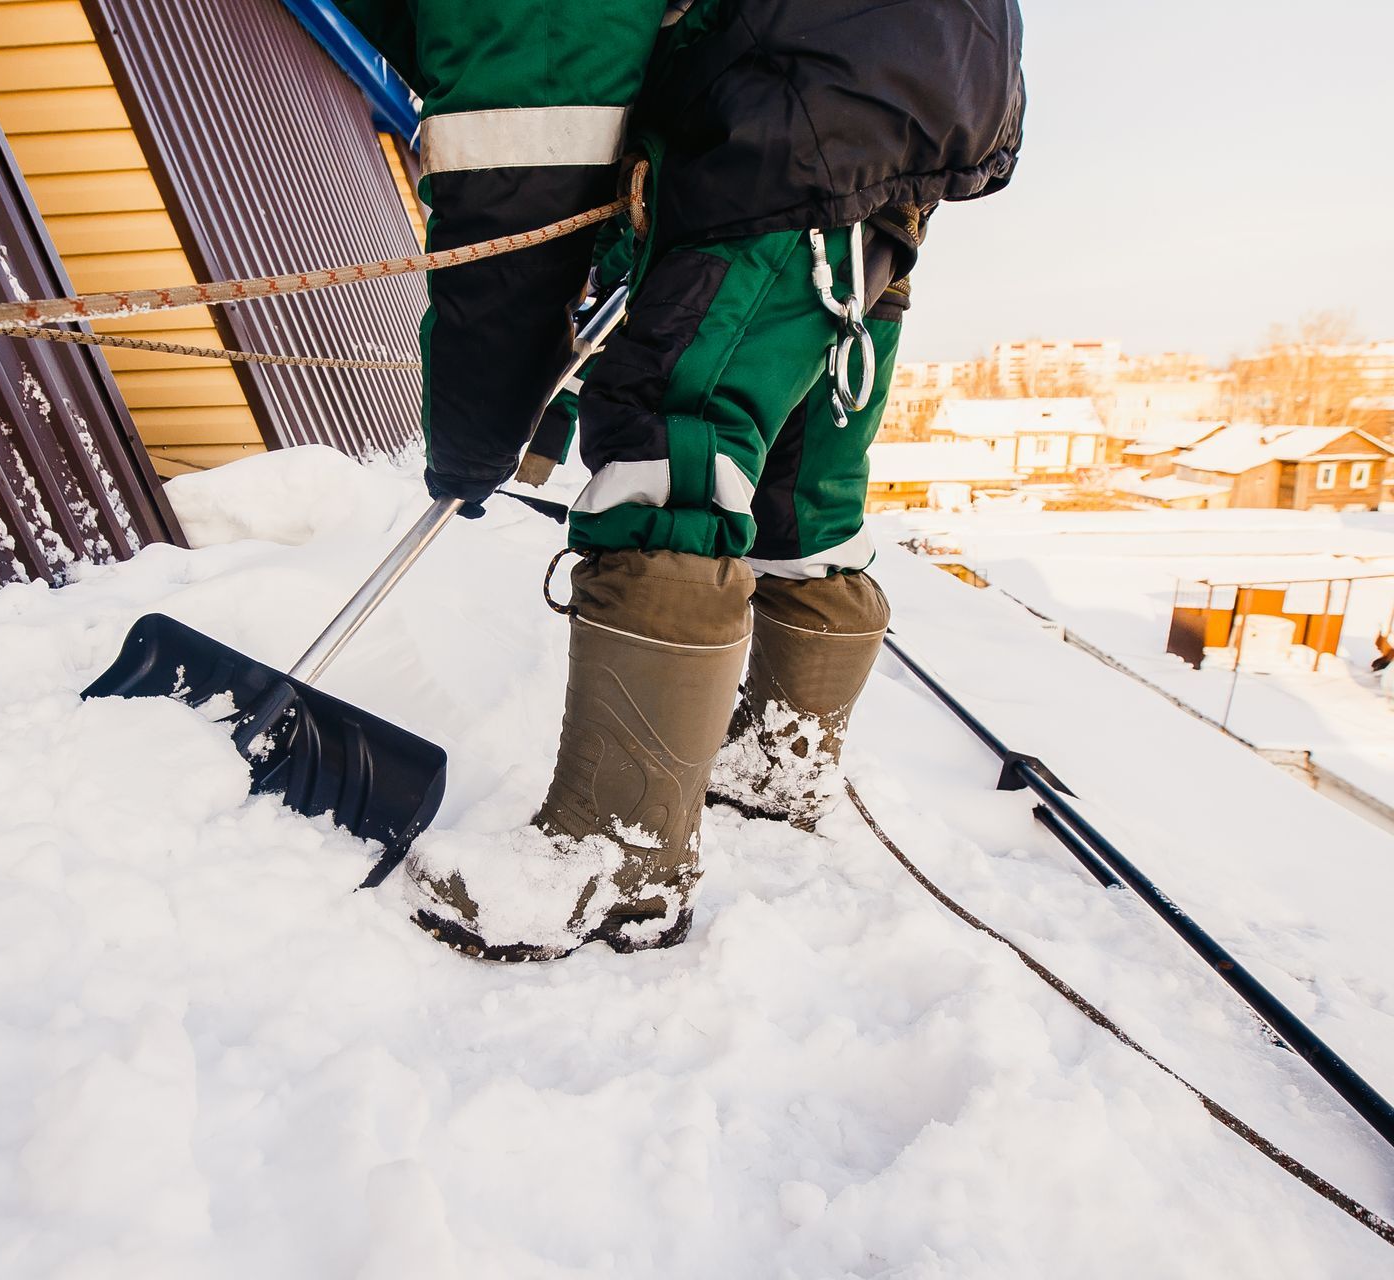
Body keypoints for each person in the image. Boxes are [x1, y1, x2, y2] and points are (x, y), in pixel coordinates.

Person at [338, 0, 1026, 961]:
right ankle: (783, 757)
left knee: (674, 439)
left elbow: (519, 186)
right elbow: (620, 259)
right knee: (797, 473)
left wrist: (473, 437)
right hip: (901, 90)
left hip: (796, 104)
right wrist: (541, 419)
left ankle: (615, 862)